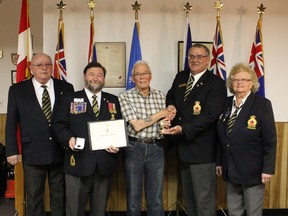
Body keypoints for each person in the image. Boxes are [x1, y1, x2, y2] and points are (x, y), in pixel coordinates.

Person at [5, 53, 74, 216]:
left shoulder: (66, 88)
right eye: (40, 65)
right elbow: (11, 122)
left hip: (60, 149)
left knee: (59, 195)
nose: (44, 68)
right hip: (32, 151)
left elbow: (72, 119)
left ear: (52, 67)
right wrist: (12, 151)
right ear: (31, 68)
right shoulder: (17, 90)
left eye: (48, 64)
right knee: (34, 196)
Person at [163, 43, 227, 216]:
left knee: (204, 199)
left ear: (207, 60)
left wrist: (183, 128)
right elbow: (171, 95)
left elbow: (210, 115)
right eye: (191, 56)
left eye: (199, 56)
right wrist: (170, 105)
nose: (194, 60)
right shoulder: (181, 76)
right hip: (182, 148)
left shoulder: (216, 83)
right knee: (189, 198)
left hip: (202, 150)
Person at [52, 61, 121, 216]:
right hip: (78, 162)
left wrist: (118, 145)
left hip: (104, 163)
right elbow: (59, 125)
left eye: (99, 75)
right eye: (92, 74)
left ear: (104, 78)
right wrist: (68, 138)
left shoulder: (113, 100)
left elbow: (119, 128)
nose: (95, 78)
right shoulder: (69, 98)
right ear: (85, 76)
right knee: (74, 210)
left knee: (99, 211)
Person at [216, 63, 277, 216]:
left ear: (252, 83)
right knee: (234, 211)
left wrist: (267, 169)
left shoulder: (262, 104)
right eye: (236, 79)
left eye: (244, 79)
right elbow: (221, 136)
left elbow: (270, 140)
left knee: (253, 212)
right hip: (230, 167)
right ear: (231, 83)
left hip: (253, 170)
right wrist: (219, 162)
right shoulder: (226, 103)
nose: (240, 83)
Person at [119, 60, 175, 216]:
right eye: (137, 74)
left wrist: (168, 117)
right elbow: (136, 125)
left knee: (156, 198)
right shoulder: (125, 96)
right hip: (134, 148)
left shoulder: (160, 96)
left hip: (157, 148)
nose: (142, 77)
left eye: (145, 73)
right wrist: (161, 114)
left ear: (150, 76)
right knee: (133, 198)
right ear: (133, 78)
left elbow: (164, 123)